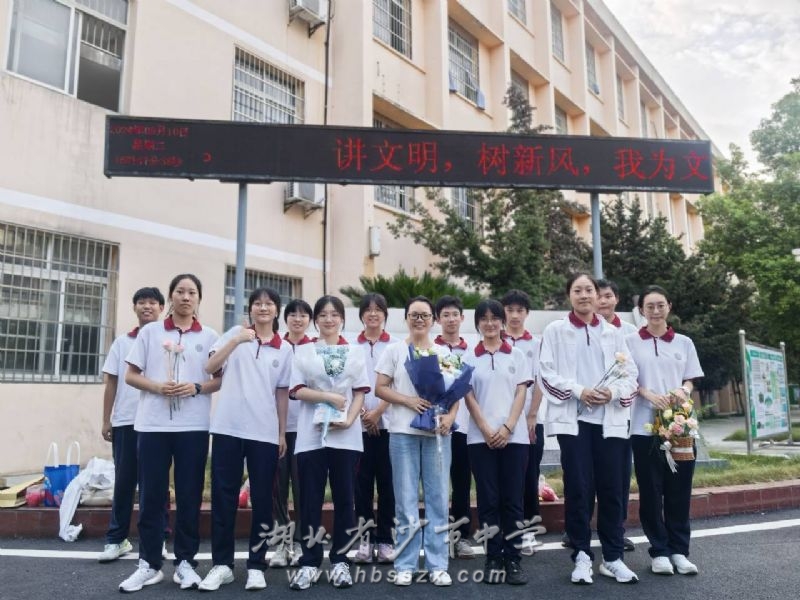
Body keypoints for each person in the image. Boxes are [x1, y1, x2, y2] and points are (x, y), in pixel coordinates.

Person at [119, 274, 221, 593]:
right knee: (151, 495)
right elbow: (131, 375)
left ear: (199, 298)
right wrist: (157, 387)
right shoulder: (150, 332)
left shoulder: (209, 336)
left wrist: (196, 387)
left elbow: (220, 379)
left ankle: (185, 562)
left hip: (193, 426)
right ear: (171, 297)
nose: (185, 297)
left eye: (192, 292)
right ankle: (149, 564)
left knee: (190, 495)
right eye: (180, 291)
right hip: (152, 425)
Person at [539, 273, 638, 585]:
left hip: (610, 423)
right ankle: (581, 555)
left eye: (589, 290)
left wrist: (612, 393)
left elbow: (631, 375)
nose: (584, 295)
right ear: (569, 295)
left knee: (612, 490)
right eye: (577, 290)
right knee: (579, 490)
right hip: (575, 423)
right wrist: (580, 391)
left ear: (597, 295)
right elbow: (546, 374)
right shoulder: (556, 331)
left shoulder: (613, 333)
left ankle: (613, 558)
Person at [198, 287, 292, 591]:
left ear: (277, 311)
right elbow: (210, 368)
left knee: (262, 499)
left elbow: (281, 394)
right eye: (257, 304)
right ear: (250, 309)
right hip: (227, 428)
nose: (263, 308)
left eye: (269, 304)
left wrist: (281, 432)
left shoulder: (284, 348)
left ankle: (256, 565)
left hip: (263, 432)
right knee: (223, 497)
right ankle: (222, 565)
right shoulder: (233, 335)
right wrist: (237, 340)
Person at [288, 295, 369, 590]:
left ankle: (340, 560)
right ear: (316, 320)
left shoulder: (355, 352)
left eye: (334, 314)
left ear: (342, 319)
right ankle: (309, 562)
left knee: (345, 499)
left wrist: (349, 420)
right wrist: (327, 397)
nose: (329, 319)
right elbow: (296, 390)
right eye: (323, 315)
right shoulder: (305, 352)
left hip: (346, 436)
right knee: (309, 499)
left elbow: (360, 391)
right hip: (311, 436)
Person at [375, 296, 456, 587]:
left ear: (433, 319)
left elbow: (455, 392)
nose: (419, 319)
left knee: (438, 499)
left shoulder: (444, 352)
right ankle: (406, 564)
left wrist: (450, 417)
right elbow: (380, 388)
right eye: (414, 315)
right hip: (402, 434)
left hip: (437, 436)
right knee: (405, 499)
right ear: (406, 318)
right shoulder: (394, 350)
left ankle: (438, 564)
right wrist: (407, 400)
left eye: (424, 315)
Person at [627, 285, 704, 576]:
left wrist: (683, 390)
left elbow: (690, 378)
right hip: (643, 427)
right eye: (650, 306)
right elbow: (627, 379)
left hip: (680, 427)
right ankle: (659, 551)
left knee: (679, 490)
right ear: (641, 311)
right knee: (651, 491)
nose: (656, 311)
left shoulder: (684, 342)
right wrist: (647, 393)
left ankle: (679, 551)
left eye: (660, 305)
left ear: (669, 306)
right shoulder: (630, 342)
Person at [463, 299, 530, 585]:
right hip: (480, 439)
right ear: (477, 323)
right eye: (484, 318)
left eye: (494, 318)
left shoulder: (517, 355)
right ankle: (493, 557)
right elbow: (468, 395)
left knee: (513, 500)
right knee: (488, 500)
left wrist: (508, 427)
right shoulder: (469, 357)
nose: (489, 323)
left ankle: (513, 559)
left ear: (502, 322)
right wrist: (486, 429)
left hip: (515, 438)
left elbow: (521, 393)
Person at [98, 287, 166, 563]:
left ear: (161, 307)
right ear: (134, 307)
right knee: (124, 482)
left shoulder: (168, 341)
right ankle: (117, 539)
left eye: (152, 302)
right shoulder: (122, 342)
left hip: (157, 423)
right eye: (141, 302)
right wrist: (107, 419)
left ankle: (158, 538)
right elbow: (111, 382)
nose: (147, 306)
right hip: (126, 420)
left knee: (156, 484)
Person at [352, 293, 397, 565]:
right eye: (368, 309)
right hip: (357, 429)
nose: (373, 314)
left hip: (389, 426)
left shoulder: (395, 346)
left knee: (388, 485)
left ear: (385, 314)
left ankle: (386, 539)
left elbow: (398, 384)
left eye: (378, 309)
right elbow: (346, 384)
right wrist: (363, 416)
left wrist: (378, 412)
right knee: (361, 486)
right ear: (361, 315)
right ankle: (365, 540)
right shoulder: (351, 346)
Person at [500, 289, 545, 556]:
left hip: (529, 422)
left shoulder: (536, 344)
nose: (515, 315)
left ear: (527, 313)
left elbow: (539, 381)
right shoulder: (495, 341)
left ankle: (528, 529)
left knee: (529, 475)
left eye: (520, 310)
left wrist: (532, 415)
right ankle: (505, 528)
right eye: (510, 310)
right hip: (501, 422)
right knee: (504, 477)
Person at [270, 298, 314, 568]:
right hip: (275, 428)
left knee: (302, 489)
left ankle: (299, 542)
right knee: (276, 488)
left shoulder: (316, 348)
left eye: (303, 315)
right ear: (284, 318)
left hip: (306, 429)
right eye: (293, 315)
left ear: (309, 320)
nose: (298, 319)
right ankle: (281, 542)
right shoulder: (277, 346)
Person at [596, 279, 638, 553]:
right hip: (588, 415)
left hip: (621, 414)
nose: (602, 301)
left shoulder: (630, 333)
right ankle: (575, 529)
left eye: (607, 296)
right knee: (583, 476)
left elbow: (634, 373)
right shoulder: (583, 332)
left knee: (619, 476)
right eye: (598, 296)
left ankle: (617, 529)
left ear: (616, 299)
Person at [433, 295, 475, 560]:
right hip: (434, 427)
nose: (450, 319)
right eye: (445, 315)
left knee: (461, 484)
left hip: (463, 428)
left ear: (462, 317)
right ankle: (437, 537)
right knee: (436, 485)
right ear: (438, 319)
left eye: (454, 314)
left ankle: (461, 538)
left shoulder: (471, 351)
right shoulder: (428, 350)